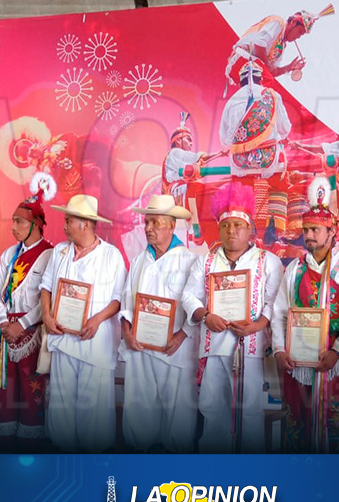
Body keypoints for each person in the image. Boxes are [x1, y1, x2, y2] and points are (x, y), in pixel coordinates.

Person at [181, 183, 284, 453]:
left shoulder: (267, 261)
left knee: (249, 414)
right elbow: (188, 297)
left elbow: (274, 304)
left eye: (238, 225)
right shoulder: (205, 261)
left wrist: (258, 325)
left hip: (249, 349)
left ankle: (249, 477)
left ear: (250, 229)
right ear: (219, 229)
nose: (232, 231)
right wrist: (205, 315)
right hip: (214, 346)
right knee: (213, 410)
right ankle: (214, 476)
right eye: (226, 226)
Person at [272, 185, 339, 453]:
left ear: (332, 231)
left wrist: (338, 351)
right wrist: (279, 350)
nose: (309, 235)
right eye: (306, 230)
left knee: (334, 422)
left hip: (331, 357)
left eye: (315, 230)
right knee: (296, 423)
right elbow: (280, 312)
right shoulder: (294, 268)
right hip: (297, 358)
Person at [39, 195, 126, 452]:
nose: (64, 226)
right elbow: (46, 287)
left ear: (86, 225)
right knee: (61, 407)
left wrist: (97, 321)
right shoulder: (59, 252)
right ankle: (65, 466)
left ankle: (93, 467)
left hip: (94, 344)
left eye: (69, 221)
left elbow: (118, 300)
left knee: (94, 413)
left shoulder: (112, 255)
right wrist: (46, 315)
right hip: (63, 339)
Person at [120, 195, 201, 453]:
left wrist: (182, 335)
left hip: (175, 351)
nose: (148, 228)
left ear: (171, 225)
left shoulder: (190, 260)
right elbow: (126, 304)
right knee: (139, 411)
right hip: (140, 349)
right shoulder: (138, 261)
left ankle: (178, 480)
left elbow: (197, 307)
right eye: (146, 222)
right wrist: (127, 333)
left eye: (155, 222)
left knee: (179, 418)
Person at [0, 176, 56, 452]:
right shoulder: (8, 255)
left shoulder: (51, 255)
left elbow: (47, 300)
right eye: (13, 221)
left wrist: (24, 324)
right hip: (7, 333)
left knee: (32, 393)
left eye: (20, 222)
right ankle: (4, 450)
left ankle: (30, 454)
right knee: (5, 393)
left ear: (36, 225)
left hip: (32, 335)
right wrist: (5, 322)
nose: (14, 227)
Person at [223, 7, 333, 93]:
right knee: (266, 89)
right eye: (299, 32)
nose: (299, 37)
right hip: (242, 58)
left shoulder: (281, 48)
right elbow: (259, 43)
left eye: (301, 35)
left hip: (251, 69)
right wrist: (267, 65)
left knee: (268, 90)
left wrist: (288, 68)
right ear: (293, 22)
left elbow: (272, 72)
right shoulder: (278, 22)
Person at [219, 61, 291, 178]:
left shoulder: (231, 101)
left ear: (240, 83)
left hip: (240, 164)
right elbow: (284, 129)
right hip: (269, 160)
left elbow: (225, 140)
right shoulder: (273, 96)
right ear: (261, 80)